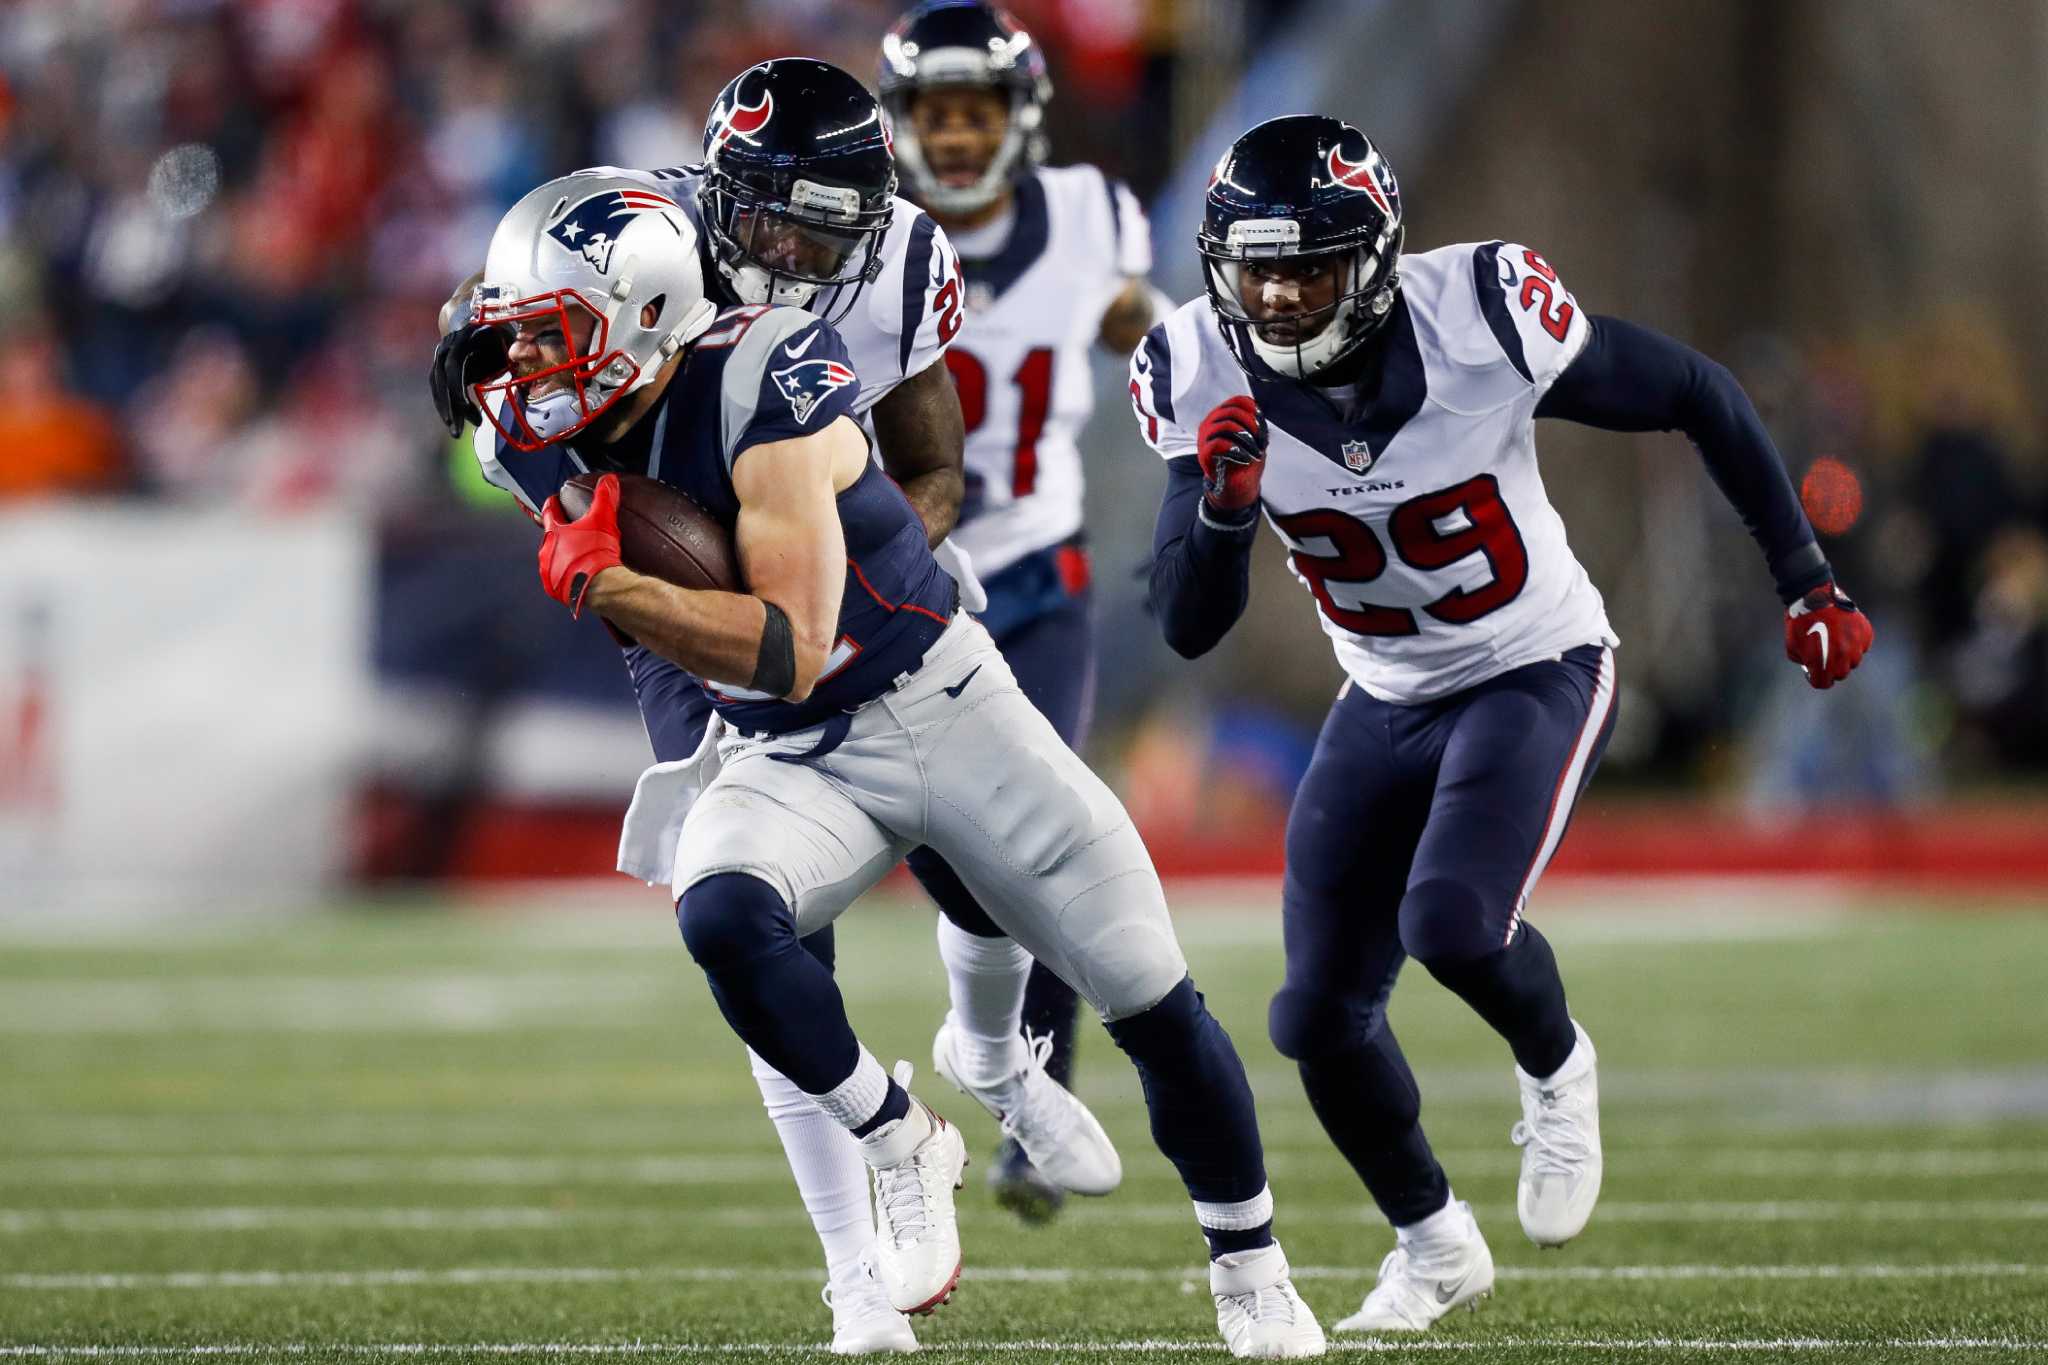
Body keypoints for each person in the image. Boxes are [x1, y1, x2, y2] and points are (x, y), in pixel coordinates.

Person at [461, 167, 1326, 1358]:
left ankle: (1252, 1273)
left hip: (933, 698)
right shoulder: (520, 417)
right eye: (521, 338)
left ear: (648, 316)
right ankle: (895, 1133)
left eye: (554, 338)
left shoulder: (767, 370)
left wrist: (613, 585)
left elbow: (791, 648)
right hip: (789, 757)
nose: (529, 369)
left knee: (1146, 989)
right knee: (719, 914)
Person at [1133, 115, 1873, 1335]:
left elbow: (1695, 391)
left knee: (1452, 924)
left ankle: (1555, 1065)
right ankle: (1431, 1245)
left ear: (1372, 260)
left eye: (1308, 266)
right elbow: (1184, 628)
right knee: (1310, 1019)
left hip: (1533, 663)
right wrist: (1219, 514)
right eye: (1254, 267)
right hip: (1382, 690)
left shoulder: (1480, 312)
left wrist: (1803, 577)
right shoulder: (1196, 367)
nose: (1276, 293)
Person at [429, 59, 1114, 1355]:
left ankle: (998, 1058)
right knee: (753, 914)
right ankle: (858, 1271)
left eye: (825, 225)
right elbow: (519, 418)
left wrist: (847, 600)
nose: (793, 252)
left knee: (982, 840)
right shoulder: (627, 263)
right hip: (697, 618)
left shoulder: (903, 269)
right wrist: (681, 584)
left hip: (861, 571)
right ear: (710, 199)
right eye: (768, 219)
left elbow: (929, 464)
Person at [878, 0, 1165, 1224]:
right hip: (900, 580)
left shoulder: (1091, 217)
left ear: (1018, 117)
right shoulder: (862, 233)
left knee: (1041, 844)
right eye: (930, 113)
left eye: (972, 111)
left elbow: (1134, 327)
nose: (950, 135)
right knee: (954, 857)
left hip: (1035, 574)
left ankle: (1028, 1097)